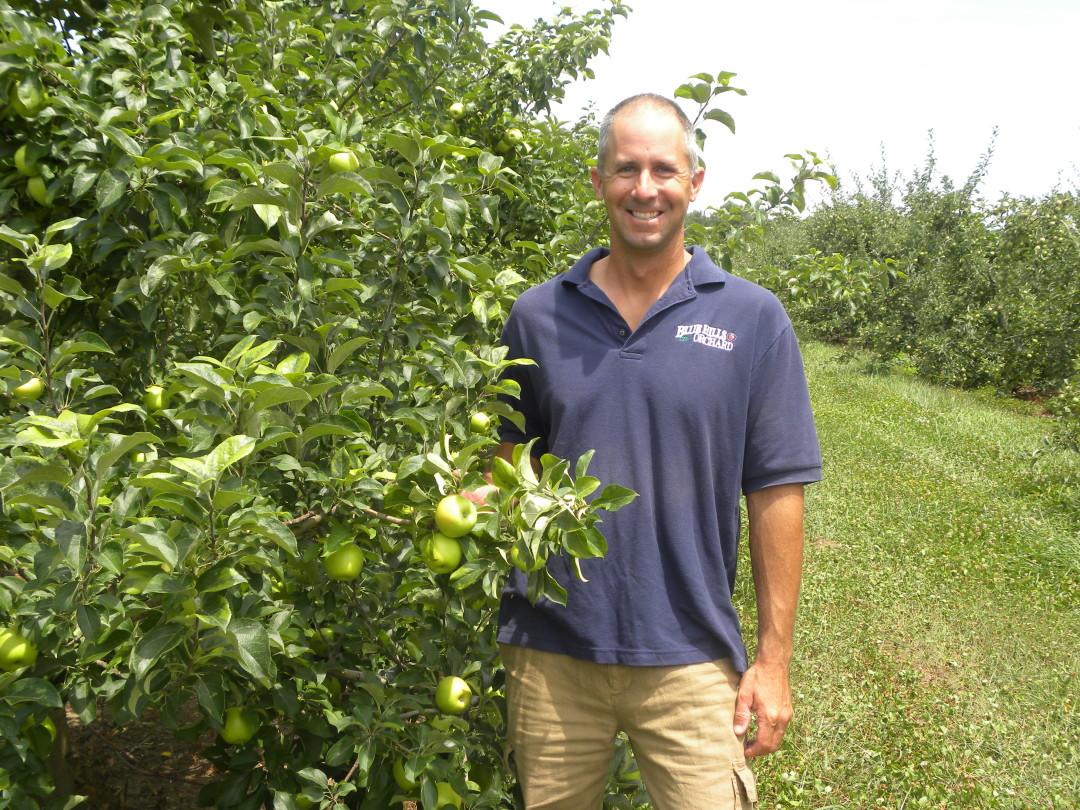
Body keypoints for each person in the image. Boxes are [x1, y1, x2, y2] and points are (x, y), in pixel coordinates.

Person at [493, 93, 822, 810]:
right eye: (626, 169)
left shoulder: (751, 319)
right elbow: (507, 467)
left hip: (692, 654)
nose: (645, 189)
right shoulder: (537, 316)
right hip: (551, 653)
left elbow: (776, 493)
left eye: (664, 170)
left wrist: (773, 662)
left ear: (695, 181)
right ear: (598, 180)